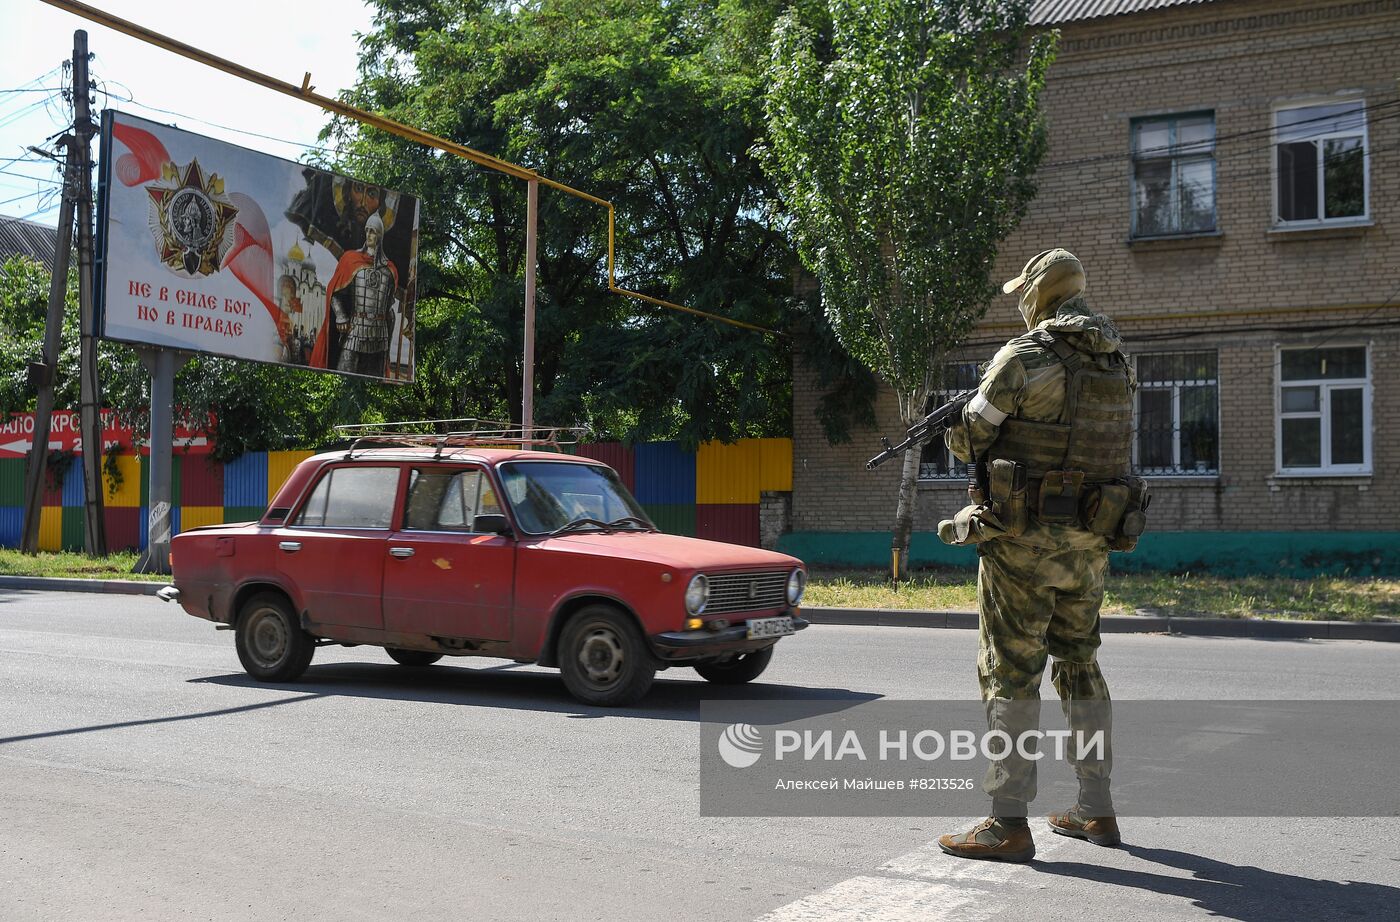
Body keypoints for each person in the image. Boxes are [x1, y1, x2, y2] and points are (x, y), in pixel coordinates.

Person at [935, 248, 1139, 863]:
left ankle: (1007, 823)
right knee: (1080, 663)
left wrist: (960, 419)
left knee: (1010, 673)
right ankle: (1095, 807)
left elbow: (968, 438)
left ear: (1039, 294)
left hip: (1022, 545)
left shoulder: (1022, 358)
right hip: (1091, 542)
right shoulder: (1118, 362)